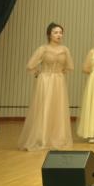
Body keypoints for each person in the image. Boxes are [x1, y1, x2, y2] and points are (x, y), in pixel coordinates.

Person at [18, 23, 74, 151]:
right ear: (49, 34)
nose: (59, 35)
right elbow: (30, 65)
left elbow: (70, 66)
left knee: (58, 108)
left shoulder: (65, 50)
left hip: (59, 81)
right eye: (55, 32)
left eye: (60, 32)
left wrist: (59, 73)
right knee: (44, 108)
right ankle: (42, 139)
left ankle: (57, 138)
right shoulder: (43, 49)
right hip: (45, 81)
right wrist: (38, 73)